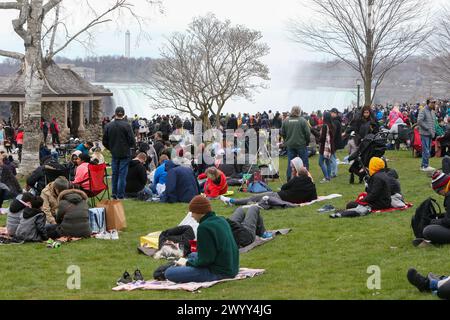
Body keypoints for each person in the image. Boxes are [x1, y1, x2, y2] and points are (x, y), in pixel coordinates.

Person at [164, 196, 239, 283]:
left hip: (218, 271)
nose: (191, 215)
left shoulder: (204, 227)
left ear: (200, 212)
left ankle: (181, 267)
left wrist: (187, 263)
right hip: (232, 267)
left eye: (193, 212)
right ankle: (185, 264)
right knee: (193, 255)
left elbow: (206, 260)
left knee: (169, 273)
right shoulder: (221, 220)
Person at [221, 157, 317, 206]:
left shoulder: (296, 179)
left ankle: (233, 201)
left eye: (292, 167)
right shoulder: (311, 185)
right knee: (257, 198)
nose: (291, 169)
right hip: (285, 197)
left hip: (280, 196)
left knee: (256, 197)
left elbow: (284, 187)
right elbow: (313, 197)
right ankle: (234, 201)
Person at [103, 107, 136, 200]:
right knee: (122, 175)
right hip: (125, 153)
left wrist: (111, 148)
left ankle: (114, 194)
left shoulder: (109, 126)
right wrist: (128, 147)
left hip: (114, 153)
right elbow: (132, 140)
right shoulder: (127, 125)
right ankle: (120, 195)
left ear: (115, 113)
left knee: (114, 174)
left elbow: (104, 141)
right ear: (124, 114)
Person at [281, 106, 311, 181]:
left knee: (290, 163)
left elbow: (283, 133)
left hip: (290, 145)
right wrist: (307, 142)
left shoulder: (286, 121)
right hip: (301, 145)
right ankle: (305, 178)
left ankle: (289, 179)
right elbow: (307, 133)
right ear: (299, 111)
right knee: (304, 162)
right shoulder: (303, 121)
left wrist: (286, 141)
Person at [418, 99, 437, 172]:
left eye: (434, 103)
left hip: (430, 134)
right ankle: (424, 166)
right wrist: (427, 128)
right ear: (428, 103)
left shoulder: (432, 111)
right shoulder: (423, 110)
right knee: (426, 150)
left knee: (428, 150)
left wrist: (433, 131)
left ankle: (425, 165)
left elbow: (433, 123)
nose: (433, 104)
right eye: (432, 103)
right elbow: (419, 121)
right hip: (424, 133)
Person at [318, 112, 335, 183]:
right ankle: (329, 177)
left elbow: (323, 138)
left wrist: (318, 138)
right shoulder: (332, 125)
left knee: (320, 162)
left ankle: (326, 177)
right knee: (328, 162)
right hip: (330, 146)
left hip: (324, 147)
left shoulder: (325, 126)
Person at [330, 108, 343, 178]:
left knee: (332, 158)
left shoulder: (335, 122)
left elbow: (333, 133)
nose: (331, 114)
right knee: (333, 157)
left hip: (334, 142)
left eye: (333, 113)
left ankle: (333, 172)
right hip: (336, 141)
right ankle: (334, 172)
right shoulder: (337, 121)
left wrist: (331, 141)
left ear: (335, 113)